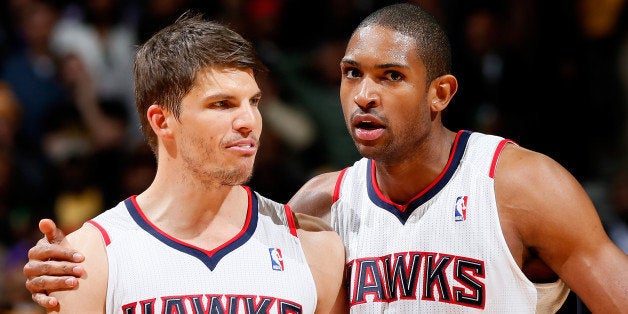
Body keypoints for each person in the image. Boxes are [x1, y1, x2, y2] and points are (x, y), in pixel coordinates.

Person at [23, 2, 628, 313]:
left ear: (440, 93)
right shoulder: (320, 207)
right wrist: (62, 265)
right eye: (350, 74)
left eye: (391, 76)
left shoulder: (519, 185)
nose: (365, 94)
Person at [23, 12, 346, 313]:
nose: (249, 120)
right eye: (222, 104)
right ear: (162, 121)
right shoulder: (91, 258)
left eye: (254, 102)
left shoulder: (313, 247)